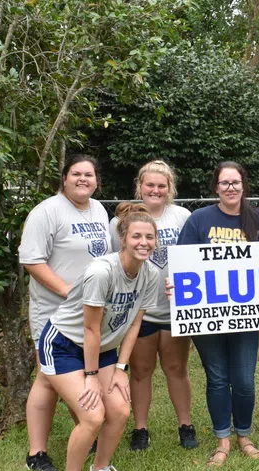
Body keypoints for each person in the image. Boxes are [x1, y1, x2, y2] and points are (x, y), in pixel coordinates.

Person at [40, 203, 160, 471]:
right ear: (123, 239)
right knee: (93, 415)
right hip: (64, 344)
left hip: (103, 348)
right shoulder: (101, 271)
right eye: (137, 236)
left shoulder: (151, 274)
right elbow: (90, 329)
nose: (143, 243)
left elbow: (133, 325)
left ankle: (101, 467)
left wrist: (120, 369)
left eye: (149, 237)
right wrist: (92, 376)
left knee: (119, 410)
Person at [175, 161, 259, 466]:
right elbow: (184, 263)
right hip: (207, 317)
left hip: (247, 317)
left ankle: (244, 437)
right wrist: (177, 288)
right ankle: (223, 440)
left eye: (235, 183)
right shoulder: (199, 220)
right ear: (216, 187)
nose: (231, 188)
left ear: (243, 185)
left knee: (244, 380)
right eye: (225, 183)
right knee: (218, 379)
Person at [19, 155, 111, 471]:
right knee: (47, 377)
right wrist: (70, 292)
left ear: (96, 180)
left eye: (89, 174)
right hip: (53, 311)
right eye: (76, 174)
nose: (83, 179)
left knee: (80, 369)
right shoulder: (47, 212)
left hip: (85, 312)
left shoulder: (98, 210)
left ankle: (86, 436)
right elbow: (32, 260)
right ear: (64, 178)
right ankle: (37, 453)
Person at [108, 161, 197, 451]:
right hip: (139, 310)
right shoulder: (121, 220)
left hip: (175, 308)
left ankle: (185, 424)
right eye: (150, 185)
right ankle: (140, 429)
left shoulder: (183, 216)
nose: (156, 190)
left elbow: (197, 258)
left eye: (162, 185)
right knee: (140, 371)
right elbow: (115, 263)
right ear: (140, 186)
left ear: (170, 188)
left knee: (177, 368)